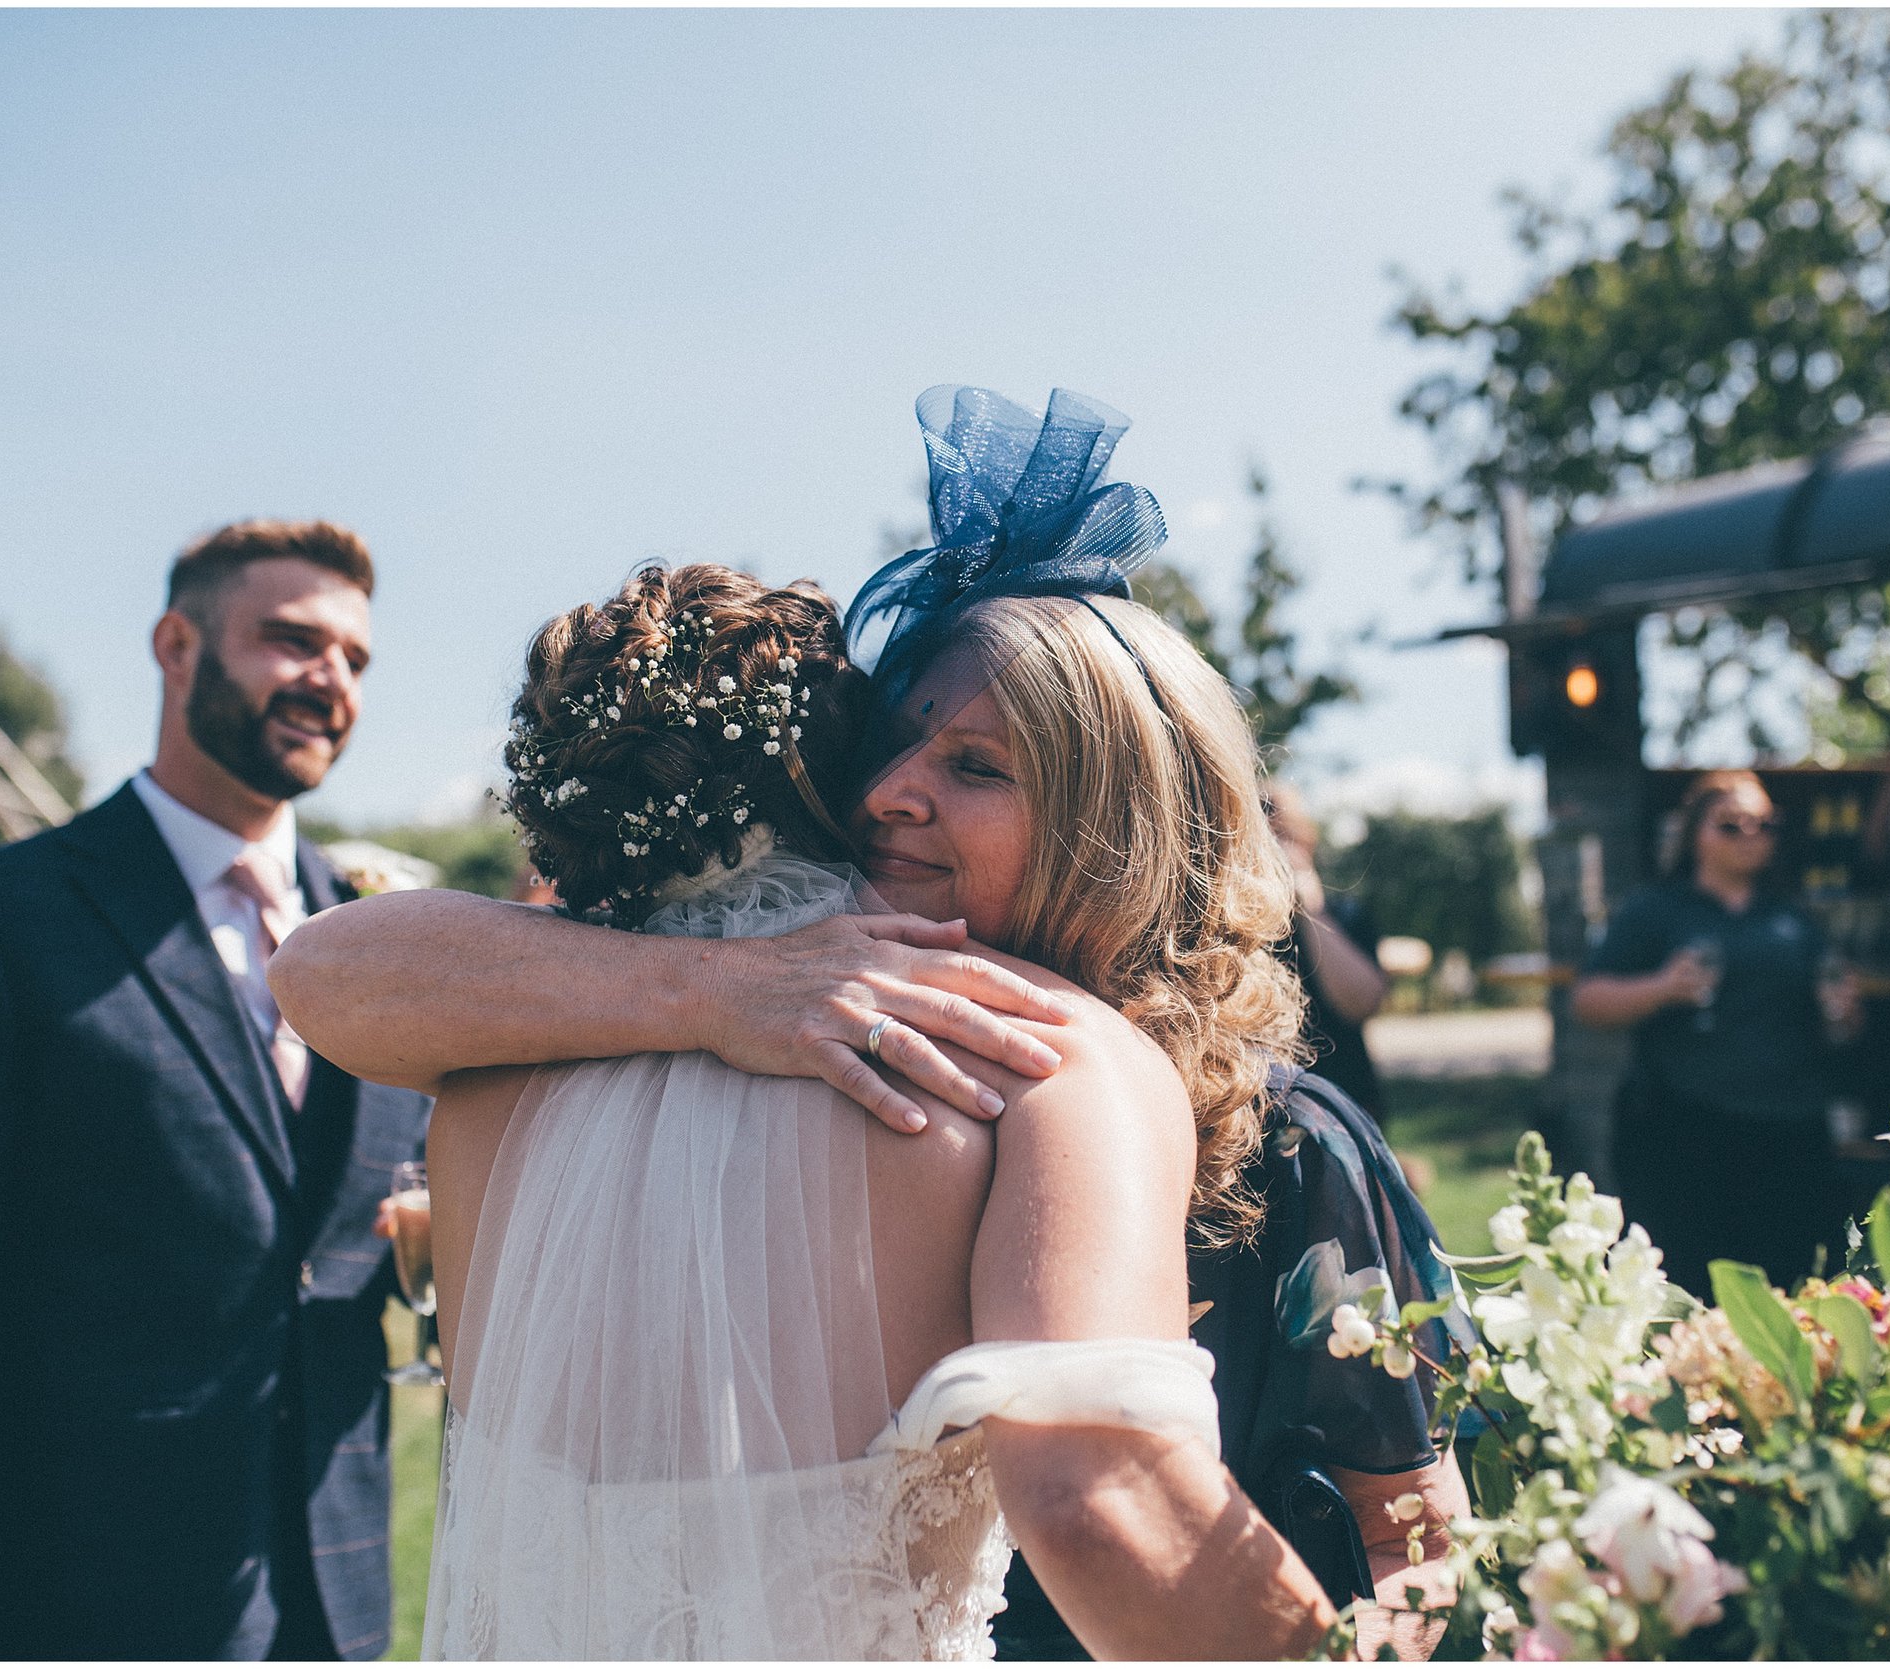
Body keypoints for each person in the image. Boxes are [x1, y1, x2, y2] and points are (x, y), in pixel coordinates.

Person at [276, 388, 1463, 1656]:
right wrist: (722, 991)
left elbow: (1408, 1538)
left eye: (976, 766)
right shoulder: (761, 1031)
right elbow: (329, 970)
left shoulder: (1288, 1143)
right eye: (892, 746)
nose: (893, 794)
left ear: (1113, 828)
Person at [0, 520, 433, 1660]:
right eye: (292, 640)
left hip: (338, 1600)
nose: (331, 680)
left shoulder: (392, 939)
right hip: (82, 1596)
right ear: (176, 644)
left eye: (355, 659)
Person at [1571, 769, 1863, 1299]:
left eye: (1764, 825)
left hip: (1789, 1133)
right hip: (1685, 1132)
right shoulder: (1657, 909)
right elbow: (1588, 1000)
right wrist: (1661, 987)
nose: (1751, 836)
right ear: (1694, 835)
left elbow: (1842, 1023)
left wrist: (1842, 1013)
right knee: (1691, 1293)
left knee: (1791, 1292)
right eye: (1731, 824)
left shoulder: (1793, 918)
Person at [1262, 779, 1391, 1125]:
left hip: (1343, 1111)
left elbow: (1363, 1002)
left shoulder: (1346, 915)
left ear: (1307, 839)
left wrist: (1312, 912)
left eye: (1283, 834)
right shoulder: (1229, 926)